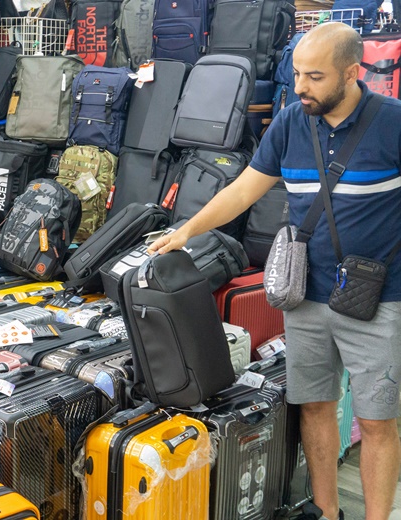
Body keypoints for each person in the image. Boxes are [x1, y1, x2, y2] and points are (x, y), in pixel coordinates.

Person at [147, 22, 401, 520]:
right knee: (314, 406)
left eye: (315, 77)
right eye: (298, 74)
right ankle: (327, 511)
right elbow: (243, 190)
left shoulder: (392, 122)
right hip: (303, 294)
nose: (301, 87)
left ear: (352, 73)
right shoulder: (289, 122)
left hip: (379, 299)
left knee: (377, 423)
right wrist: (186, 231)